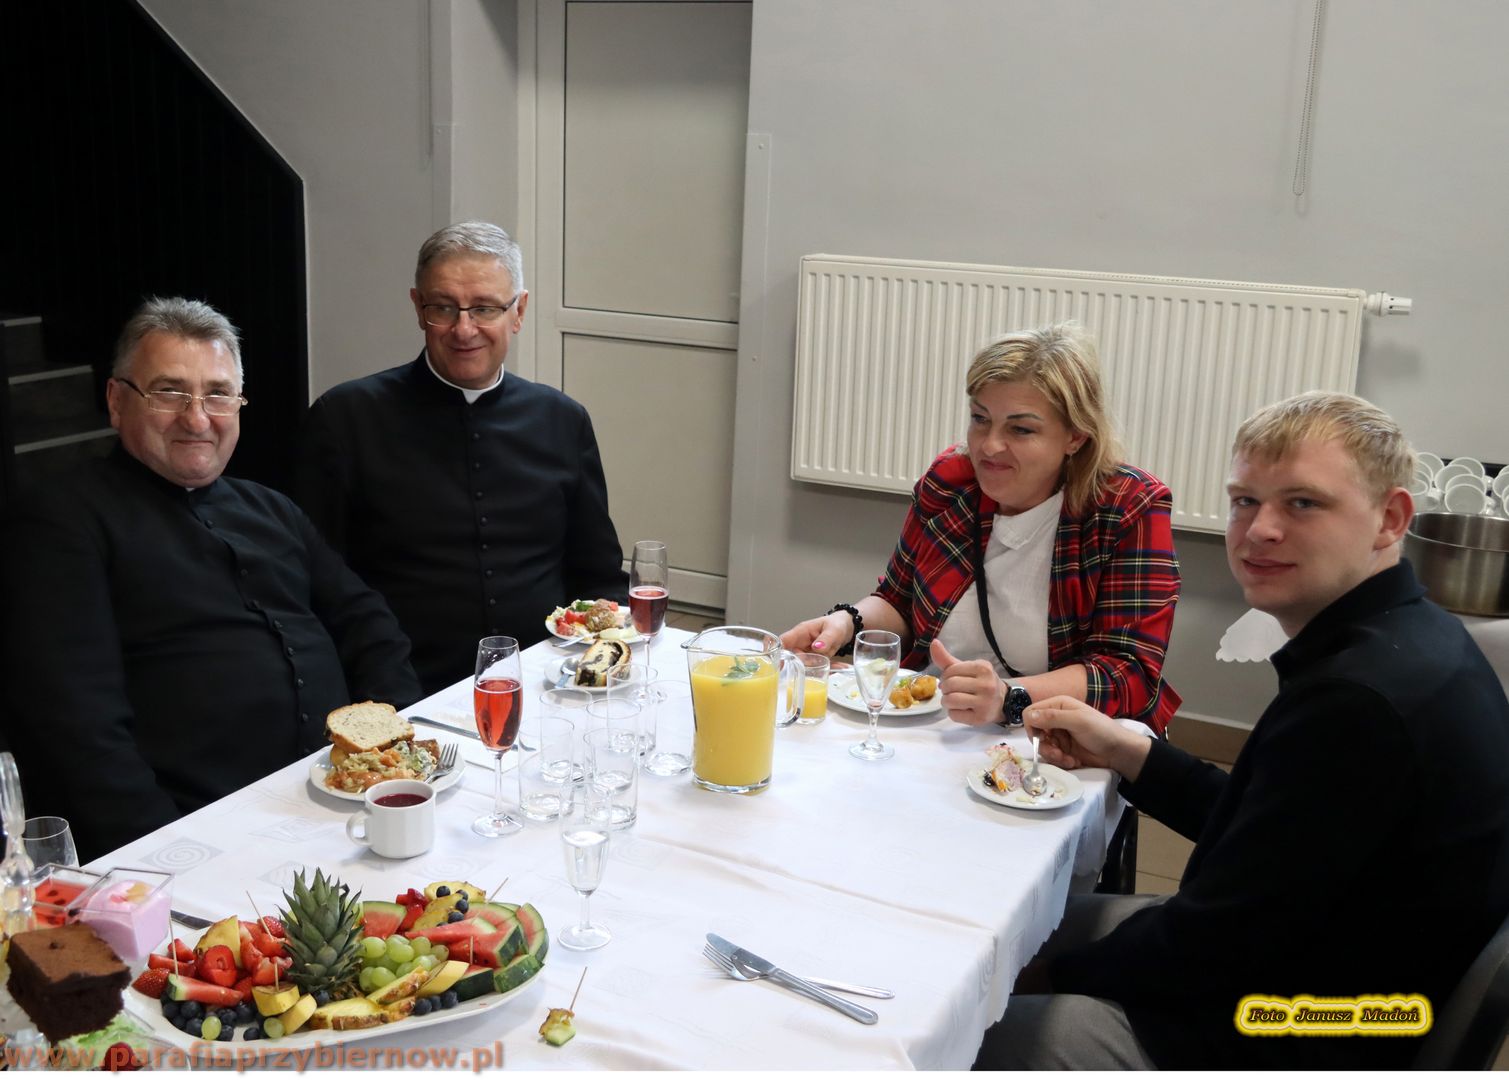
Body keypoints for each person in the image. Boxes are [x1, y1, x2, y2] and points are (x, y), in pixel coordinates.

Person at [975, 392, 1509, 1069]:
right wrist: (1132, 753)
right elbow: (1271, 831)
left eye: (1302, 503)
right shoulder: (1413, 637)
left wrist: (1039, 981)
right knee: (1014, 920)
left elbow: (1215, 942)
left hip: (1291, 1032)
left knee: (967, 1015)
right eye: (1244, 501)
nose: (1260, 530)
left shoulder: (1357, 702)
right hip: (1331, 971)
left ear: (1390, 519)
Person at [0, 298, 422, 860]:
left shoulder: (270, 507)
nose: (197, 419)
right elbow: (76, 729)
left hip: (341, 805)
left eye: (218, 394)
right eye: (169, 392)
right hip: (200, 835)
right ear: (117, 401)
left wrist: (399, 760)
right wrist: (169, 854)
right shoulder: (61, 521)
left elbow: (368, 623)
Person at [781, 322, 1181, 733]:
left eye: (1020, 429)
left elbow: (1128, 672)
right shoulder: (951, 484)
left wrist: (1009, 697)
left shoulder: (1127, 508)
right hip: (944, 722)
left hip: (1059, 736)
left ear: (1076, 437)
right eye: (980, 419)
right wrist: (847, 622)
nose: (989, 445)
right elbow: (900, 600)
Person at [295, 221, 628, 695]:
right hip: (402, 689)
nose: (463, 329)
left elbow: (598, 576)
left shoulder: (563, 420)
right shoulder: (345, 418)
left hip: (548, 683)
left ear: (518, 311)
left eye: (485, 308)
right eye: (443, 308)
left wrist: (597, 665)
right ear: (418, 308)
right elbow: (316, 585)